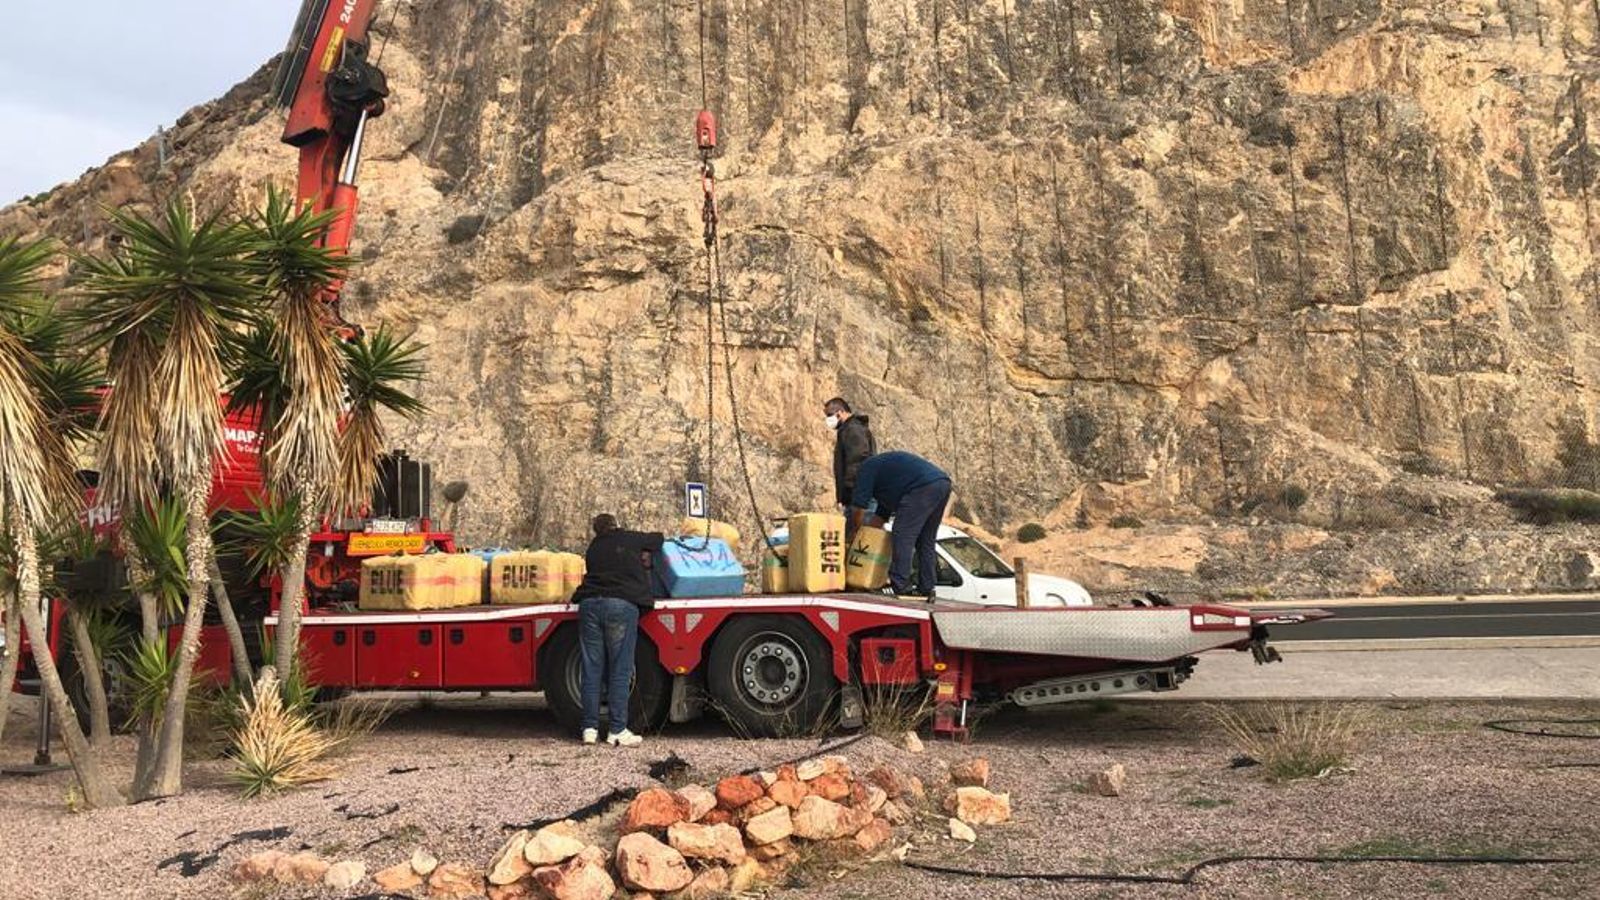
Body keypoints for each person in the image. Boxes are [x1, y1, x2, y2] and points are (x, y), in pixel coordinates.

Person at [570, 513, 663, 746]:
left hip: (590, 604)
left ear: (596, 531)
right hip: (620, 606)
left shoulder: (593, 549)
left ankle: (589, 729)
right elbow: (658, 539)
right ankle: (617, 730)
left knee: (592, 670)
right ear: (616, 525)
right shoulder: (629, 538)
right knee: (620, 669)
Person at [848, 451, 952, 598]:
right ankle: (927, 587)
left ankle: (899, 585)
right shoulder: (887, 479)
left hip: (922, 486)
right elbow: (878, 520)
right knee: (925, 540)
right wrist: (865, 540)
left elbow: (859, 508)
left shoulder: (865, 469)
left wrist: (855, 534)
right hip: (942, 483)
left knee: (902, 533)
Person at [825, 397, 876, 511]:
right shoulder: (848, 430)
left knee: (861, 527)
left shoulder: (853, 429)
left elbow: (859, 459)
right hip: (857, 493)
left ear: (840, 412)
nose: (828, 419)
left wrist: (848, 491)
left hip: (860, 493)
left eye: (829, 415)